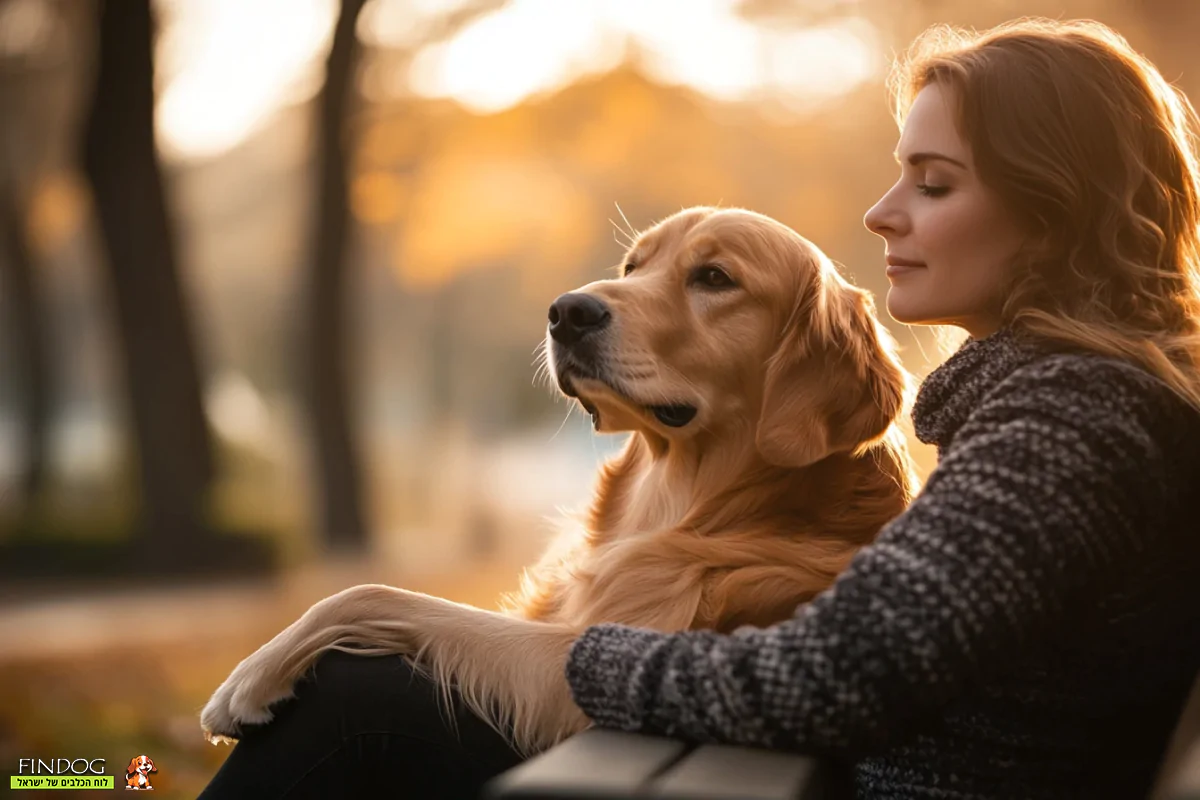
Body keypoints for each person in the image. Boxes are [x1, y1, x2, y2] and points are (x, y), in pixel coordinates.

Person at [199, 17, 1200, 799]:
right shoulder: (1075, 408)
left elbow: (832, 673)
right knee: (363, 704)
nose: (881, 212)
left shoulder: (1072, 424)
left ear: (1054, 214)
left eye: (932, 183)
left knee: (358, 711)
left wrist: (578, 661)